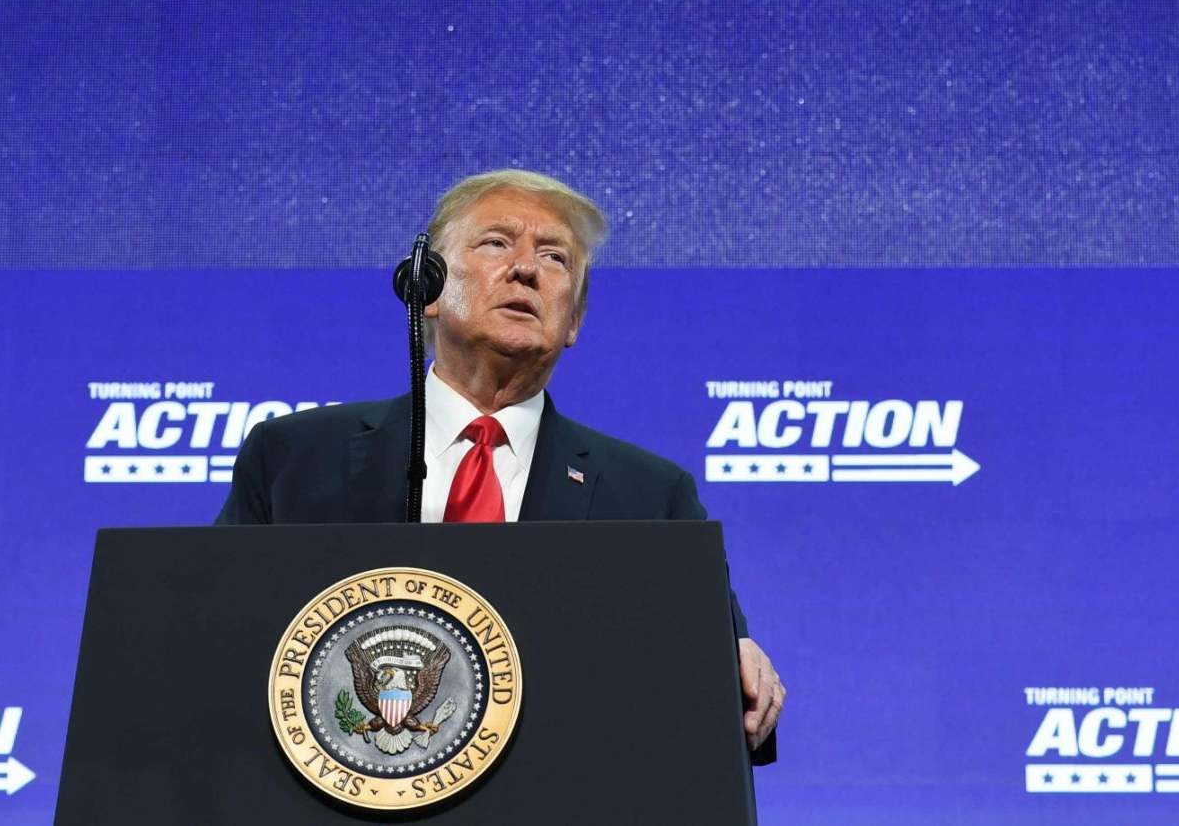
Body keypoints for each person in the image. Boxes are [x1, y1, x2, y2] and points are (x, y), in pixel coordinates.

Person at [217, 168, 786, 760]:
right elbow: (215, 640)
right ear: (427, 290)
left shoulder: (650, 495)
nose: (526, 268)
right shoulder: (293, 459)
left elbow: (721, 684)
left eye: (556, 258)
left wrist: (735, 657)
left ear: (575, 322)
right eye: (496, 242)